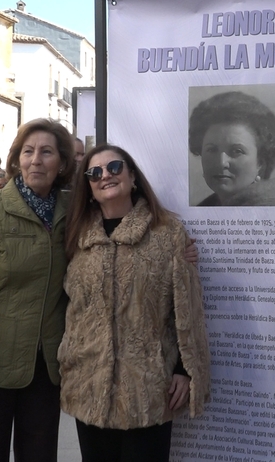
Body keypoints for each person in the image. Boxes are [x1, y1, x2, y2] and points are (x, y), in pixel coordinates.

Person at [60, 144, 211, 461]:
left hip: (147, 387)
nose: (105, 176)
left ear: (132, 177)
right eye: (94, 173)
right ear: (88, 188)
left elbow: (187, 310)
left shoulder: (167, 232)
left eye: (114, 167)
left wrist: (184, 370)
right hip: (88, 383)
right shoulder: (76, 237)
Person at [0, 118, 76, 460]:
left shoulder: (74, 214)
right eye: (28, 151)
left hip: (45, 370)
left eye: (46, 152)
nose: (36, 160)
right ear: (17, 160)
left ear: (62, 163)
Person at [188, 91, 275, 206]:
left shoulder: (270, 205)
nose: (221, 163)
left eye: (237, 151)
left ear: (261, 163)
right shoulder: (207, 206)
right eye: (212, 150)